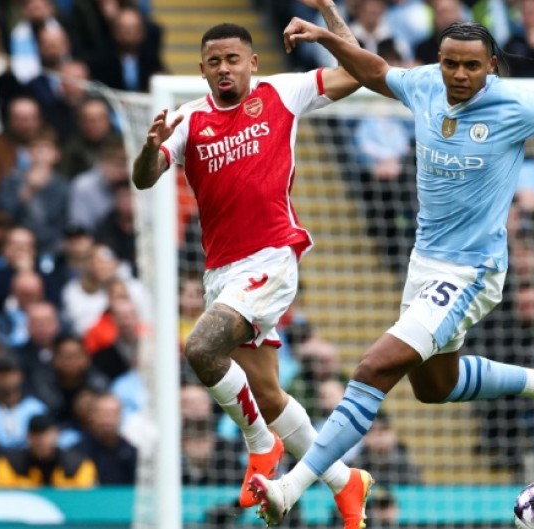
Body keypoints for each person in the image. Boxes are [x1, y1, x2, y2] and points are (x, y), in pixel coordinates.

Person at [251, 18, 534, 525]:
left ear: (490, 66)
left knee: (373, 368)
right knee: (433, 387)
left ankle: (291, 487)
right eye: (450, 63)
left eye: (471, 65)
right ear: (439, 61)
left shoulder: (515, 105)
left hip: (473, 272)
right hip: (424, 266)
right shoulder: (424, 85)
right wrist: (329, 37)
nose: (459, 74)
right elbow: (375, 71)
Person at [129, 2, 369, 526]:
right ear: (202, 69)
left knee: (199, 347)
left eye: (232, 59)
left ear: (252, 63)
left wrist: (328, 18)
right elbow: (145, 179)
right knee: (268, 393)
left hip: (271, 257)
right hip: (222, 273)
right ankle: (346, 482)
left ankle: (260, 446)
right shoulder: (189, 119)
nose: (223, 69)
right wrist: (149, 150)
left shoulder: (281, 93)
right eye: (213, 61)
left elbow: (359, 71)